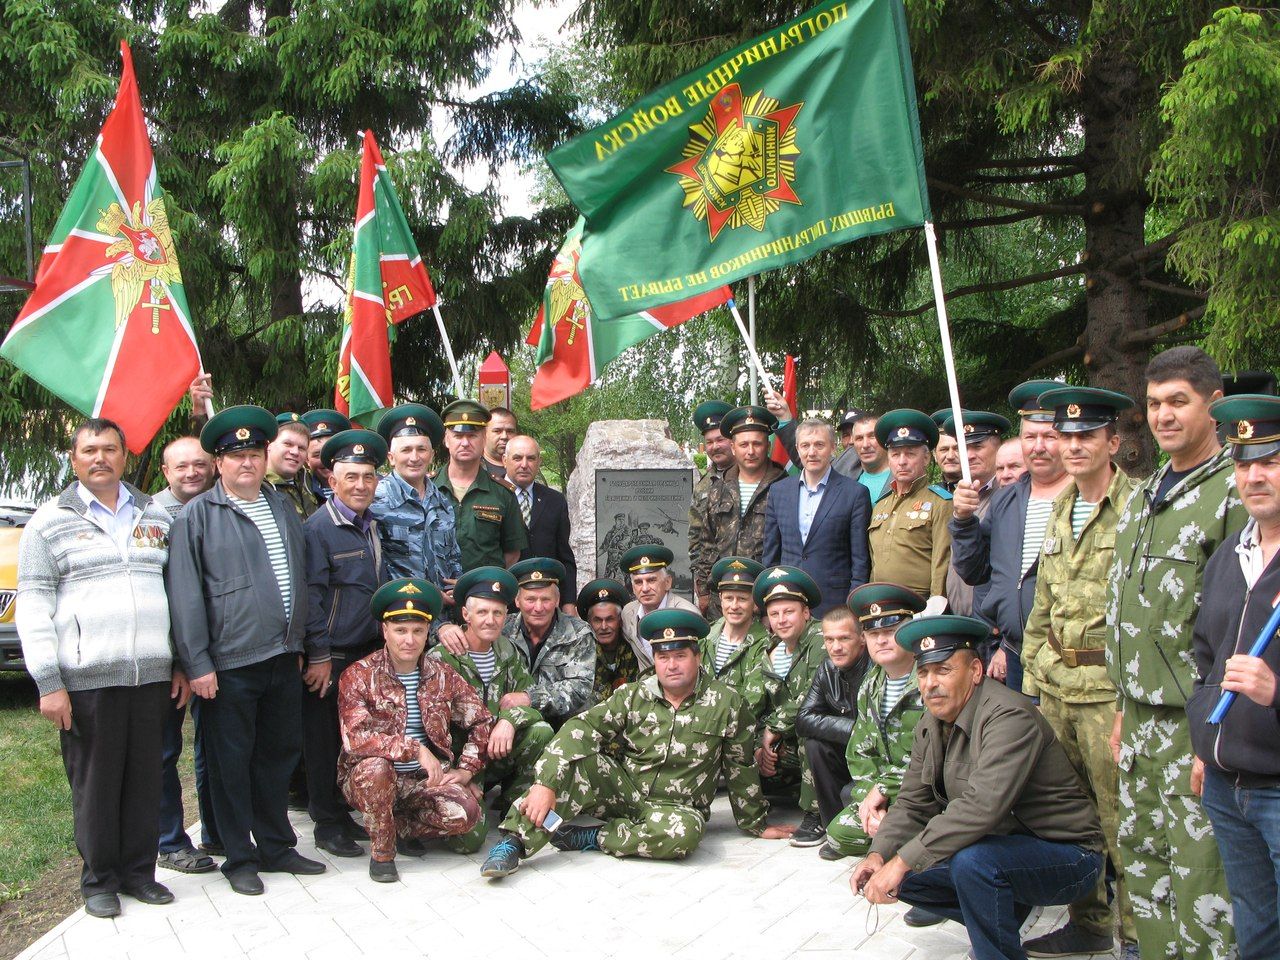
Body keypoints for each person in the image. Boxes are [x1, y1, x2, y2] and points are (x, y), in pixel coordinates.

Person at [851, 615, 1106, 960]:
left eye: (943, 670)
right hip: (1007, 848)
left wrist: (903, 860)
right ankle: (1007, 914)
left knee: (970, 863)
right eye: (923, 673)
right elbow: (912, 803)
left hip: (1069, 856)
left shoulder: (1007, 716)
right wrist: (879, 854)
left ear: (975, 671)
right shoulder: (931, 722)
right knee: (905, 875)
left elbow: (981, 806)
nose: (930, 684)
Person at [478, 609, 795, 878]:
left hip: (680, 810)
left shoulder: (726, 703)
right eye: (663, 657)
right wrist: (545, 783)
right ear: (655, 660)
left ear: (698, 657)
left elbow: (740, 766)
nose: (671, 665)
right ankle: (514, 843)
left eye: (680, 656)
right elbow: (580, 727)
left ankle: (593, 836)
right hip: (625, 793)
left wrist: (755, 824)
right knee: (573, 764)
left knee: (683, 837)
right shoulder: (634, 695)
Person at [1108, 347, 1244, 960]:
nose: (1162, 416)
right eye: (1155, 403)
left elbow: (1238, 622)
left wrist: (1215, 732)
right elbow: (1127, 613)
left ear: (1212, 405)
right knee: (1145, 864)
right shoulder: (1139, 495)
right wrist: (1119, 705)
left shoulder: (1234, 493)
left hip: (1194, 720)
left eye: (1177, 402)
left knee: (1203, 875)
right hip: (1136, 716)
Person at [17, 418, 182, 917]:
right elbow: (33, 602)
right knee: (97, 784)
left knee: (145, 779)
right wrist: (49, 682)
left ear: (124, 457)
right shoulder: (49, 521)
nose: (100, 458)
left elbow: (175, 593)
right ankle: (99, 881)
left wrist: (180, 662)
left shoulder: (154, 515)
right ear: (73, 459)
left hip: (152, 676)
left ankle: (139, 873)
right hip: (87, 680)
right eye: (89, 450)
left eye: (110, 449)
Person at [167, 405, 325, 896]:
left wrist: (309, 645)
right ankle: (239, 856)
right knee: (230, 763)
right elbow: (186, 595)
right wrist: (197, 664)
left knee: (277, 755)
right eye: (235, 456)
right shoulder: (198, 515)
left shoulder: (281, 505)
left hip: (282, 656)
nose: (246, 464)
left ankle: (277, 845)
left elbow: (302, 579)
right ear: (219, 463)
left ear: (265, 458)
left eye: (254, 454)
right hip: (228, 664)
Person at [1019, 386, 1139, 957]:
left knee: (1121, 821)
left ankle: (1137, 935)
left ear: (1113, 442)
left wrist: (1131, 701)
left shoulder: (1138, 507)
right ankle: (1089, 923)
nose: (1072, 446)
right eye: (1065, 436)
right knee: (1070, 819)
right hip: (1057, 691)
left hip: (1109, 696)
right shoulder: (1062, 507)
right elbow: (1043, 602)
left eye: (1086, 435)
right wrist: (1035, 675)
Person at [1187, 393, 1280, 960]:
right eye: (1244, 463)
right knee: (1256, 923)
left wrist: (1275, 693)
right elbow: (1205, 656)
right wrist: (1204, 742)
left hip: (1277, 783)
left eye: (1270, 460)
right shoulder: (1228, 556)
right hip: (1226, 782)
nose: (1255, 476)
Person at [337, 578, 491, 882]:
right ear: (385, 631)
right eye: (400, 631)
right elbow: (355, 739)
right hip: (372, 778)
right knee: (376, 768)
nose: (409, 640)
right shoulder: (358, 675)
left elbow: (481, 719)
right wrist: (414, 749)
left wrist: (467, 769)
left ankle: (396, 825)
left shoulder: (442, 675)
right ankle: (383, 853)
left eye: (418, 631)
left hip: (422, 781)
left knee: (466, 814)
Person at [950, 381, 1072, 693]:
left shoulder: (1086, 496)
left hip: (1071, 660)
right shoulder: (1007, 501)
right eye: (1030, 436)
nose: (1038, 446)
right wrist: (963, 521)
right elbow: (975, 570)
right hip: (1018, 654)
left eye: (1049, 436)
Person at [300, 428, 388, 858]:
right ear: (332, 481)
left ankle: (342, 811)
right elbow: (312, 596)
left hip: (365, 650)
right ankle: (326, 823)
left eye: (368, 476)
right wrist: (317, 654)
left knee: (352, 737)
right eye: (350, 477)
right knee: (323, 741)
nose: (360, 485)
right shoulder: (318, 528)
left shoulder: (371, 524)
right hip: (331, 655)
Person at [427, 567, 554, 853]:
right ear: (465, 615)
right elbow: (431, 733)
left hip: (496, 753)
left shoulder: (507, 652)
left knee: (540, 732)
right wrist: (463, 775)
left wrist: (508, 720)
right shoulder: (441, 659)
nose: (490, 620)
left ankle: (515, 804)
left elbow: (531, 701)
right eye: (482, 612)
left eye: (498, 613)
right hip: (460, 762)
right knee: (468, 842)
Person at [151, 436, 219, 875]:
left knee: (212, 745)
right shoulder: (151, 519)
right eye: (182, 466)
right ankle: (170, 841)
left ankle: (215, 829)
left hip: (215, 653)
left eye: (200, 463)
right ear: (165, 472)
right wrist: (180, 660)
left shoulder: (220, 506)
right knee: (163, 751)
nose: (192, 472)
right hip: (167, 659)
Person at [824, 584, 927, 870]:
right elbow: (860, 754)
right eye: (873, 633)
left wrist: (883, 791)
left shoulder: (928, 682)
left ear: (910, 632)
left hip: (927, 798)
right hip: (887, 798)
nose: (881, 640)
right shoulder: (871, 686)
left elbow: (931, 761)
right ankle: (900, 845)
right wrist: (870, 802)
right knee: (838, 834)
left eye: (890, 631)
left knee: (920, 832)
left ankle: (912, 853)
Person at [440, 557, 596, 727]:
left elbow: (580, 688)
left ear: (557, 601)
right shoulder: (502, 626)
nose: (538, 607)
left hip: (564, 725)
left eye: (546, 599)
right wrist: (443, 628)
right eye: (530, 600)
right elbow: (472, 631)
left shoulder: (578, 633)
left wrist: (530, 698)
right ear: (517, 601)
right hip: (512, 724)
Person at [744, 566, 829, 846]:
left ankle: (817, 813)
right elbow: (753, 703)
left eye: (789, 611)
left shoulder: (822, 640)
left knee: (809, 732)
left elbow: (812, 697)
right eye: (774, 613)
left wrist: (774, 727)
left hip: (826, 738)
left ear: (805, 612)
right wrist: (759, 745)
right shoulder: (769, 650)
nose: (781, 620)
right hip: (784, 741)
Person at [762, 418, 872, 616]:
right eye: (805, 445)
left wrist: (853, 609)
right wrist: (770, 604)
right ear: (797, 448)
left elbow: (860, 561)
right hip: (788, 603)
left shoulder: (855, 494)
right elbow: (771, 556)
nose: (811, 452)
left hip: (834, 606)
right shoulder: (778, 491)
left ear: (832, 447)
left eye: (819, 445)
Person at [693, 405, 788, 617]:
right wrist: (704, 591)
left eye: (757, 443)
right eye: (744, 444)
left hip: (766, 598)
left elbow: (789, 549)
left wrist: (772, 598)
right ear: (734, 448)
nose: (751, 451)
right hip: (723, 600)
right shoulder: (719, 488)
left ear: (768, 447)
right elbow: (707, 542)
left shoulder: (784, 487)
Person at [796, 605, 870, 854]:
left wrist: (858, 732)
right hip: (848, 752)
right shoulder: (827, 669)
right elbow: (804, 719)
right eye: (829, 639)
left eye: (844, 638)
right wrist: (854, 729)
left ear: (861, 638)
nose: (836, 647)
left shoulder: (876, 667)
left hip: (875, 758)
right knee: (814, 745)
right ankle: (834, 829)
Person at [371, 403, 463, 595]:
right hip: (399, 613)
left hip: (441, 616)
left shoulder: (442, 503)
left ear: (431, 455)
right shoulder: (375, 501)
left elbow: (453, 557)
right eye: (406, 450)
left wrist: (456, 588)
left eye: (421, 449)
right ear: (391, 458)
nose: (414, 458)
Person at [867, 409, 953, 601]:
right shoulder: (881, 505)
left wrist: (937, 603)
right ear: (888, 459)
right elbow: (874, 561)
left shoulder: (940, 502)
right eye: (895, 454)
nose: (902, 462)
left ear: (926, 458)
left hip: (920, 605)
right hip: (882, 602)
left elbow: (943, 561)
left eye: (910, 454)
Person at [435, 400, 527, 572]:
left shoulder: (502, 493)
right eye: (457, 436)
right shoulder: (427, 488)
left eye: (472, 436)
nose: (465, 443)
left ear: (484, 439)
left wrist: (485, 583)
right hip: (435, 593)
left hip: (484, 594)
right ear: (446, 440)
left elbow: (512, 553)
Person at [941, 412, 1011, 621]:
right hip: (959, 618)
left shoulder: (1008, 494)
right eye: (965, 447)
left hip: (993, 622)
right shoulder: (959, 496)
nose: (969, 455)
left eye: (977, 447)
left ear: (998, 448)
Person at [506, 435, 577, 612]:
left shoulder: (555, 500)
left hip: (545, 604)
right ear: (504, 460)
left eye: (531, 458)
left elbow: (565, 557)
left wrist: (569, 602)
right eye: (517, 458)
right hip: (505, 602)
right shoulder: (492, 497)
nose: (524, 464)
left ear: (539, 461)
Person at [699, 557, 770, 698]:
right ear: (720, 598)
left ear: (755, 603)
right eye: (729, 598)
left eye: (742, 599)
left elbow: (753, 702)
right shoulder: (704, 638)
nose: (734, 606)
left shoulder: (765, 645)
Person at [688, 400, 734, 615]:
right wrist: (702, 588)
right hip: (716, 589)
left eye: (720, 440)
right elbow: (695, 539)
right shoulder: (704, 485)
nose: (715, 447)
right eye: (709, 442)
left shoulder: (751, 477)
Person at [620, 544, 699, 659]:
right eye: (638, 582)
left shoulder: (687, 614)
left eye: (651, 580)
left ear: (667, 582)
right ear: (633, 588)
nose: (645, 588)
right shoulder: (628, 614)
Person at [577, 578, 647, 703]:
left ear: (620, 621)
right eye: (597, 620)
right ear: (589, 622)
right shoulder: (580, 652)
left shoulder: (634, 648)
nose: (604, 627)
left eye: (610, 619)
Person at [265, 413, 317, 520]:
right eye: (288, 444)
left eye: (301, 448)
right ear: (268, 445)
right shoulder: (258, 487)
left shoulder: (310, 480)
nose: (295, 452)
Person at [301, 408, 351, 504]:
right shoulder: (300, 494)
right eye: (317, 455)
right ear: (307, 459)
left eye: (333, 452)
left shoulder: (367, 488)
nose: (327, 460)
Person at [850, 411, 891, 502]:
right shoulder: (845, 479)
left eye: (872, 436)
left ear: (885, 439)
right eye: (859, 438)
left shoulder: (903, 478)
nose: (865, 445)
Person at [482, 406, 518, 480]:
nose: (504, 437)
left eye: (510, 431)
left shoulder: (526, 465)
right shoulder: (473, 468)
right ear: (484, 433)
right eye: (497, 431)